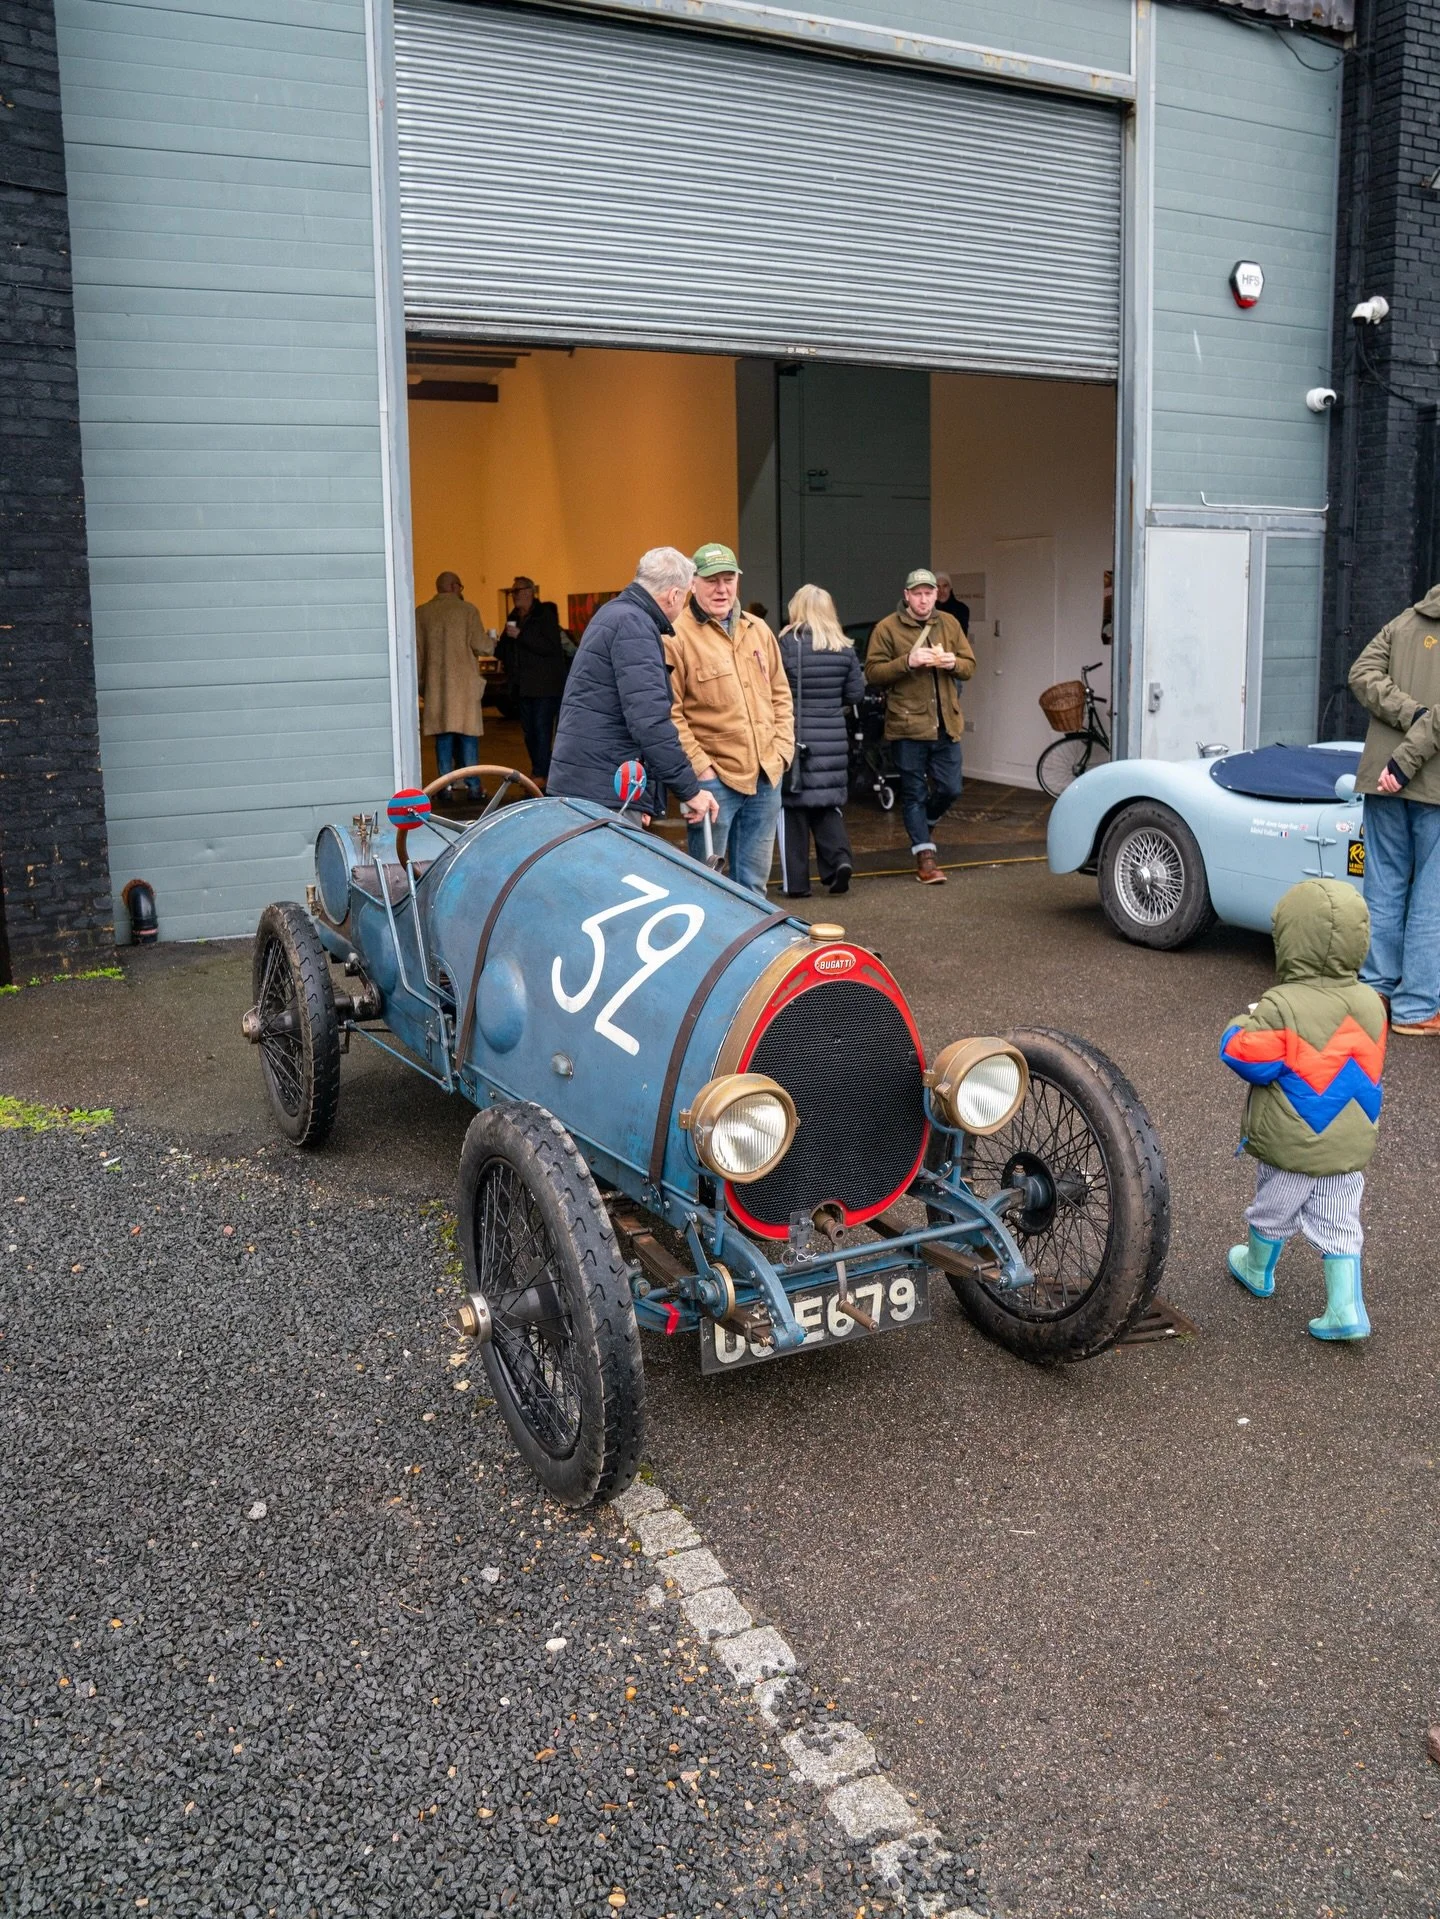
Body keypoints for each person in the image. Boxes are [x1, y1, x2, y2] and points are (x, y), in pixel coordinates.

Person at [1220, 878, 1386, 1342]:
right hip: (1348, 1144)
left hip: (1295, 1144)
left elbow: (1250, 1058)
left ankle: (1257, 1270)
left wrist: (1239, 1024)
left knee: (1272, 1209)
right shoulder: (1373, 1003)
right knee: (1340, 1221)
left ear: (1289, 940)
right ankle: (1345, 1307)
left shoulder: (1282, 1003)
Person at [547, 547, 720, 833]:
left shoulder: (616, 614)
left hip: (591, 782)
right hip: (604, 793)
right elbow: (649, 722)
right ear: (674, 595)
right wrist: (690, 790)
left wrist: (645, 796)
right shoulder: (634, 626)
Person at [667, 542, 794, 894]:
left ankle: (751, 949)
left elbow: (781, 694)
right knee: (708, 886)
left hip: (767, 775)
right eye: (712, 581)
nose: (722, 589)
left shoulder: (758, 630)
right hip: (714, 781)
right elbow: (670, 713)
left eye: (729, 579)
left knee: (754, 886)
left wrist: (782, 751)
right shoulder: (676, 635)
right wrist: (701, 769)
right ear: (693, 583)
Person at [1347, 584, 1440, 1034]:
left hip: (1382, 780)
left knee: (1382, 886)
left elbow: (1361, 673)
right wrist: (1414, 737)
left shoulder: (1404, 622)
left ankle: (1374, 996)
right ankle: (1417, 1008)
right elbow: (1436, 721)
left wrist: (1406, 714)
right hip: (1428, 784)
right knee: (1432, 897)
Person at [863, 567, 976, 884]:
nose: (925, 599)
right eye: (918, 593)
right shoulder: (887, 628)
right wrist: (908, 662)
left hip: (946, 724)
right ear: (907, 596)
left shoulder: (949, 623)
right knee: (913, 792)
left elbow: (970, 666)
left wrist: (954, 662)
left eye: (929, 593)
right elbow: (873, 672)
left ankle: (924, 824)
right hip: (908, 725)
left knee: (951, 788)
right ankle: (925, 858)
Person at [776, 583, 865, 898]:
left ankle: (797, 884)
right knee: (827, 806)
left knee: (792, 809)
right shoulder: (844, 646)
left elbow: (774, 688)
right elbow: (855, 693)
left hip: (796, 738)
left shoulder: (787, 644)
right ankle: (839, 862)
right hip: (833, 737)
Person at [415, 571, 491, 801]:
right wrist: (492, 642)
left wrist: (420, 684)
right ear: (455, 587)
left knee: (443, 737)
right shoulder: (467, 611)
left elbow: (417, 652)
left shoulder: (422, 613)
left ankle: (444, 787)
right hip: (464, 687)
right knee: (468, 737)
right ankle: (473, 786)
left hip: (436, 687)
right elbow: (481, 646)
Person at [501, 576, 569, 787]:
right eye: (512, 592)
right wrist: (503, 640)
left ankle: (542, 773)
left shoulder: (545, 615)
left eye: (517, 591)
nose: (513, 596)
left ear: (530, 592)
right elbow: (503, 650)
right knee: (529, 732)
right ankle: (539, 770)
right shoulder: (514, 616)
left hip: (544, 686)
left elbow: (550, 647)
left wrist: (521, 636)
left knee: (542, 730)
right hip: (523, 686)